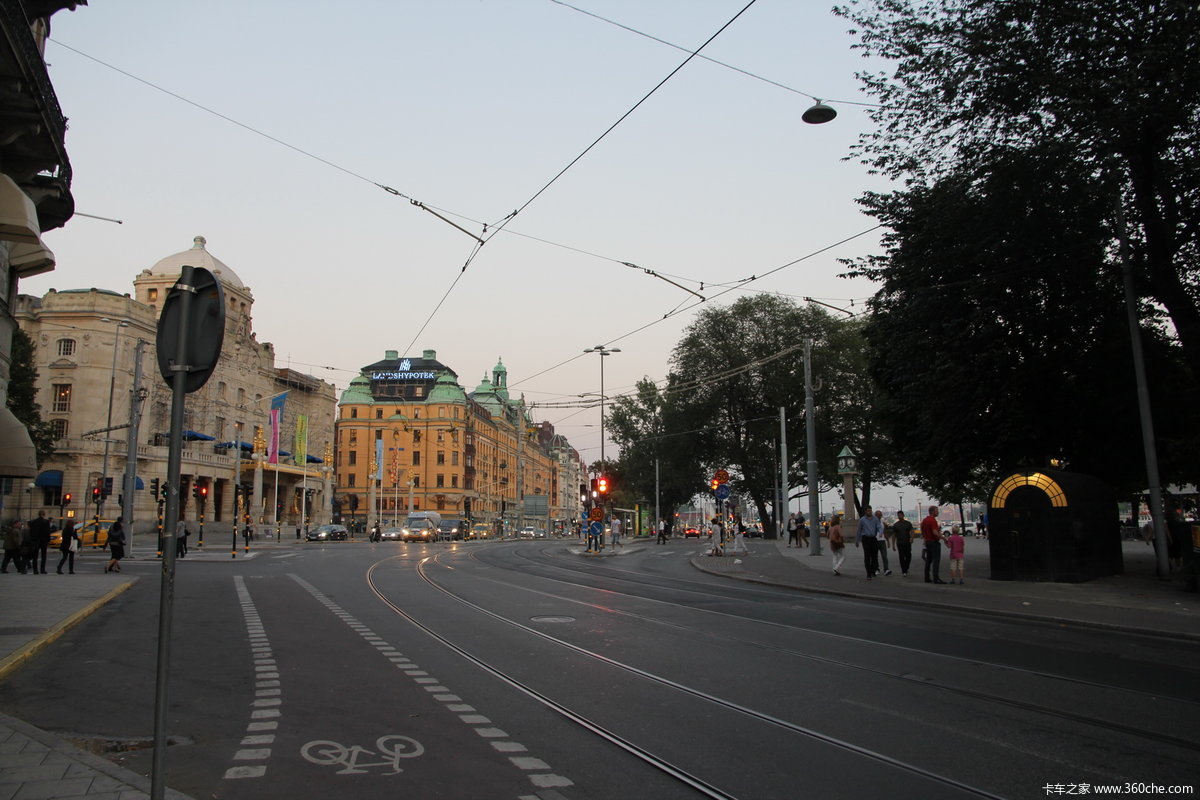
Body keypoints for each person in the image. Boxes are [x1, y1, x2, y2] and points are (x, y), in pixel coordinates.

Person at [856, 505, 883, 579]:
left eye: (870, 510)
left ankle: (873, 570)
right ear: (865, 512)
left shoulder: (875, 519)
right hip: (866, 538)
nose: (869, 512)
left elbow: (879, 527)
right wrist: (857, 540)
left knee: (874, 556)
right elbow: (859, 530)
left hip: (873, 538)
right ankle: (868, 573)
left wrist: (880, 533)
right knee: (867, 556)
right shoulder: (862, 520)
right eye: (868, 510)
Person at [921, 505, 946, 584]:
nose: (938, 512)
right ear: (932, 512)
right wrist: (943, 538)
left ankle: (927, 577)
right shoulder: (933, 520)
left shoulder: (924, 520)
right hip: (934, 542)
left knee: (928, 560)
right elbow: (934, 532)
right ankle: (936, 578)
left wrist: (925, 539)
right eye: (936, 510)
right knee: (936, 560)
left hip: (927, 542)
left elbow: (922, 531)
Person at [28, 510, 52, 574]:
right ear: (44, 514)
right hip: (43, 540)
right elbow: (48, 532)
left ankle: (35, 570)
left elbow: (31, 532)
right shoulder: (46, 522)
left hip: (36, 540)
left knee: (35, 556)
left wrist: (32, 539)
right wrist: (48, 540)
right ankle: (42, 569)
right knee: (43, 556)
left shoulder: (33, 522)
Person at [892, 510, 914, 577]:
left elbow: (912, 531)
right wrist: (893, 544)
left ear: (903, 515)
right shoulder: (896, 525)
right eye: (899, 515)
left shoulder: (908, 523)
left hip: (907, 542)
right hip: (900, 543)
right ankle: (904, 570)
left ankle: (906, 567)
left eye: (901, 515)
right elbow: (894, 535)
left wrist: (912, 538)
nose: (900, 516)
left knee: (908, 556)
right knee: (901, 557)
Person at [875, 509, 893, 576]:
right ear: (875, 515)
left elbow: (884, 532)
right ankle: (876, 569)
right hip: (875, 540)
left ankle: (886, 569)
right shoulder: (873, 522)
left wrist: (888, 541)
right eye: (878, 515)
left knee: (884, 556)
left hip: (882, 541)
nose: (879, 516)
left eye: (880, 515)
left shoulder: (882, 522)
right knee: (875, 556)